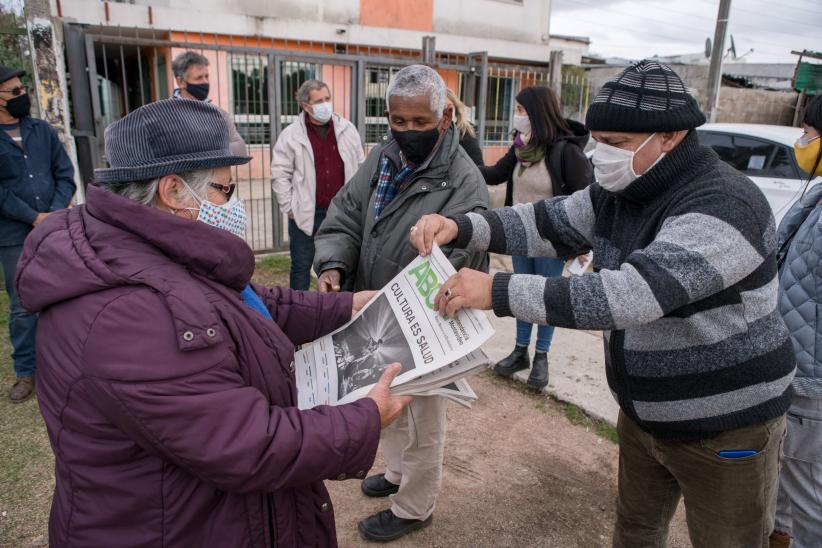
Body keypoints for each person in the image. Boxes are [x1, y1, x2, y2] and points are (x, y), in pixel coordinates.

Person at [410, 60, 795, 548]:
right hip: (643, 415)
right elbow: (548, 222)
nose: (598, 154)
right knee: (635, 532)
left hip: (726, 427)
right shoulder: (624, 187)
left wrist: (497, 291)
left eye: (616, 143)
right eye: (598, 139)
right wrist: (463, 226)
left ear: (671, 136)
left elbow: (627, 295)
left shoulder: (724, 204)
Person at [14, 98, 411, 547]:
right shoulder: (128, 315)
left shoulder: (141, 248)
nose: (232, 202)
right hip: (171, 529)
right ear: (174, 191)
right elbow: (248, 445)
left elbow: (245, 303)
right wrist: (365, 418)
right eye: (225, 190)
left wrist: (347, 307)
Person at [313, 65, 489, 542]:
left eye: (419, 122)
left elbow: (459, 258)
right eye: (397, 121)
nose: (407, 132)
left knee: (424, 418)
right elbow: (347, 214)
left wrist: (411, 304)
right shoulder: (382, 158)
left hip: (427, 321)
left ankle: (414, 506)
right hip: (377, 311)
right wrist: (333, 265)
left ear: (445, 115)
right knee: (385, 403)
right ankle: (394, 474)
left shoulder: (462, 179)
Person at [479, 85, 592, 389]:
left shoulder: (565, 151)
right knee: (519, 293)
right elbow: (494, 174)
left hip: (551, 242)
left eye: (520, 111)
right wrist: (462, 162)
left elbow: (587, 197)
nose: (516, 117)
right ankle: (519, 351)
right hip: (519, 237)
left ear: (537, 114)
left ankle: (541, 356)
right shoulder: (520, 147)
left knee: (545, 299)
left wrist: (582, 244)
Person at [0, 64, 75, 402]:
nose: (22, 96)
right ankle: (27, 372)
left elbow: (65, 173)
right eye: (14, 92)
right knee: (22, 304)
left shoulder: (42, 131)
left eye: (22, 89)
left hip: (54, 227)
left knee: (64, 294)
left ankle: (65, 364)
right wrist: (32, 217)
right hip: (14, 234)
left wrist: (55, 213)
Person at [770, 94, 822, 548]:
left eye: (808, 132)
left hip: (814, 382)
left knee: (811, 502)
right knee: (786, 488)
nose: (802, 141)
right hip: (797, 367)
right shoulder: (819, 194)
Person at [271, 79, 364, 290]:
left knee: (342, 264)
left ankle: (340, 310)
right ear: (306, 106)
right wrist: (289, 207)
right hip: (307, 214)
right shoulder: (291, 135)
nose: (325, 105)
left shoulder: (347, 129)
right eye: (319, 100)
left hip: (342, 213)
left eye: (327, 99)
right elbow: (279, 173)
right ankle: (299, 311)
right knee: (301, 266)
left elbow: (360, 166)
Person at [171, 50, 246, 156]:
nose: (205, 82)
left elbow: (240, 149)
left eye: (206, 76)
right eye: (199, 78)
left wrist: (205, 151)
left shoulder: (219, 114)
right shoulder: (166, 113)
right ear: (181, 82)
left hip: (219, 173)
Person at [445, 89, 484, 167]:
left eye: (449, 108)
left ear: (455, 110)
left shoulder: (465, 133)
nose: (445, 113)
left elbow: (478, 168)